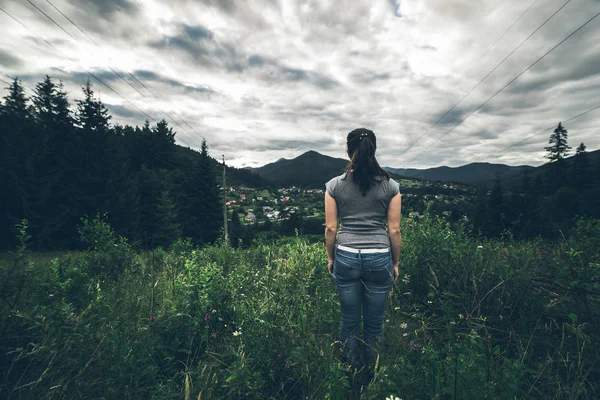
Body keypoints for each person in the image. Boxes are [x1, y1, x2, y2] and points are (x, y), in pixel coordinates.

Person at [324, 128, 402, 374]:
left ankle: (352, 368)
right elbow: (395, 230)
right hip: (380, 258)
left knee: (349, 321)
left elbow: (331, 228)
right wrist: (395, 263)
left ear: (348, 152)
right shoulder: (392, 186)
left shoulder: (334, 186)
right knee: (374, 323)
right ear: (374, 150)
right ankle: (372, 371)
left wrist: (331, 257)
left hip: (346, 256)